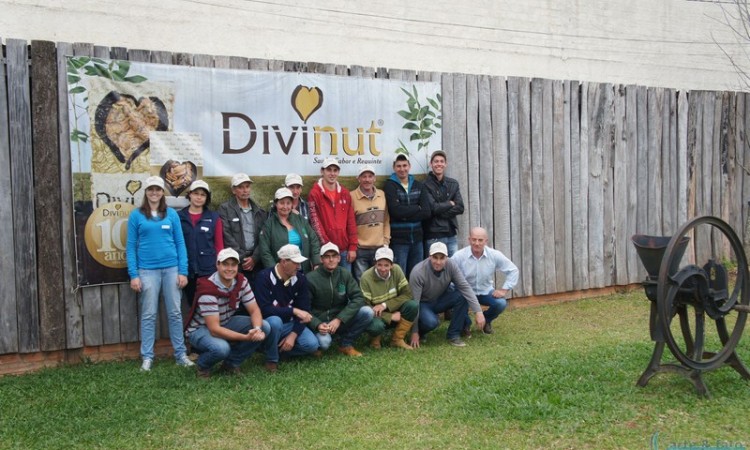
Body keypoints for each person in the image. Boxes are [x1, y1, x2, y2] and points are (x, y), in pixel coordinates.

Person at [126, 175, 194, 371]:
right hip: (147, 271)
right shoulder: (137, 215)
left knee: (175, 313)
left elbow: (181, 244)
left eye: (157, 189)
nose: (154, 193)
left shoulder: (171, 214)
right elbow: (131, 247)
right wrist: (134, 274)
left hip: (171, 269)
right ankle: (147, 357)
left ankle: (180, 354)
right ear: (146, 192)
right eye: (150, 189)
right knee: (148, 314)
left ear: (162, 192)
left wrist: (183, 271)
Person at [185, 248, 272, 378]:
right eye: (225, 264)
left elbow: (254, 310)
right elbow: (214, 329)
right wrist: (246, 337)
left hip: (225, 322)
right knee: (222, 348)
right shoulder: (208, 289)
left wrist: (257, 330)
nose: (229, 269)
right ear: (217, 265)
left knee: (265, 326)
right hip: (200, 329)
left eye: (233, 264)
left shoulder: (241, 282)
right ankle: (203, 365)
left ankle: (231, 363)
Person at [255, 244, 319, 372]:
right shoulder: (264, 277)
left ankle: (279, 352)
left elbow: (304, 310)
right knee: (275, 321)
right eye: (295, 262)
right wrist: (293, 310)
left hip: (290, 324)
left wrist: (293, 335)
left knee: (312, 345)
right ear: (283, 262)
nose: (299, 266)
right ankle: (271, 360)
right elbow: (264, 309)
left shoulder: (300, 279)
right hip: (268, 325)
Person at [409, 242, 486, 348]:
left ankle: (453, 335)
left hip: (440, 300)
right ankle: (420, 332)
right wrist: (414, 332)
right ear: (429, 256)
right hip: (423, 304)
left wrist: (478, 311)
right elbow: (414, 304)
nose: (438, 262)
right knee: (431, 322)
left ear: (447, 257)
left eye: (442, 258)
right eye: (435, 257)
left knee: (462, 295)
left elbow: (465, 287)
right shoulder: (418, 272)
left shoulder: (451, 265)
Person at [306, 242, 374, 356]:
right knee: (324, 343)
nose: (331, 259)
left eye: (334, 256)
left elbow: (358, 298)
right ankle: (318, 343)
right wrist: (317, 324)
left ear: (338, 258)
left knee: (367, 312)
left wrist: (339, 319)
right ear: (321, 259)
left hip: (341, 319)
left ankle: (345, 344)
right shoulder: (310, 278)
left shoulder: (344, 273)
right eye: (327, 256)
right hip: (322, 322)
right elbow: (304, 309)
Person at [452, 227, 519, 335]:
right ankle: (465, 324)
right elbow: (449, 274)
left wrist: (504, 290)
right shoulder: (459, 256)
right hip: (465, 294)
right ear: (469, 240)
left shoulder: (494, 255)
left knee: (501, 303)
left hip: (485, 291)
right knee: (457, 299)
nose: (477, 243)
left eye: (480, 240)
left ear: (486, 241)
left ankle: (486, 321)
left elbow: (513, 270)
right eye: (474, 239)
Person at [360, 247, 417, 350]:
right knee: (376, 326)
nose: (383, 269)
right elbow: (365, 306)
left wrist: (384, 305)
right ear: (375, 263)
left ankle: (397, 340)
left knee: (413, 305)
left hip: (395, 310)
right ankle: (374, 342)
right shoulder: (366, 277)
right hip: (376, 315)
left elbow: (407, 295)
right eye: (379, 264)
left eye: (386, 265)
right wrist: (389, 316)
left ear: (392, 265)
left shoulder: (397, 270)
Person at [383, 153, 430, 278]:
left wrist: (405, 213)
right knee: (400, 275)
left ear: (409, 166)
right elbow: (395, 212)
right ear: (394, 168)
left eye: (405, 165)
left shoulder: (419, 185)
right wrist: (416, 208)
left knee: (417, 275)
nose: (402, 169)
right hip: (399, 240)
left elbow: (426, 212)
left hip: (417, 239)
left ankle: (415, 298)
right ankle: (402, 298)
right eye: (398, 166)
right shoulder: (390, 186)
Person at [307, 157, 358, 271]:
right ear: (322, 171)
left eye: (335, 170)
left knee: (344, 285)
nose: (332, 173)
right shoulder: (314, 194)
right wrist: (327, 245)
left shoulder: (345, 193)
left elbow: (351, 222)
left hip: (344, 251)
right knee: (327, 286)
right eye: (329, 170)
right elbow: (315, 223)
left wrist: (353, 247)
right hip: (326, 251)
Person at [178, 179, 224, 306]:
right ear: (190, 195)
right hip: (187, 271)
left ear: (207, 198)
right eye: (196, 193)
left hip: (208, 270)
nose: (199, 197)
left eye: (203, 195)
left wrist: (219, 267)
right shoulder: (179, 217)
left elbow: (219, 245)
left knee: (209, 306)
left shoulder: (214, 218)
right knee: (191, 306)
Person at [219, 173, 268, 289]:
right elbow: (226, 234)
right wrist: (241, 257)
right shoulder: (225, 208)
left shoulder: (259, 211)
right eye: (240, 187)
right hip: (236, 261)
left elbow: (264, 236)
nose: (245, 190)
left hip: (256, 262)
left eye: (247, 186)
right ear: (233, 190)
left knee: (256, 295)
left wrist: (255, 258)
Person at [259, 187, 320, 273]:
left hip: (303, 270)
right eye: (282, 203)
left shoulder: (300, 219)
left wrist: (316, 262)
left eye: (288, 203)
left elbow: (313, 240)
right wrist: (275, 271)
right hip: (282, 273)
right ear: (276, 204)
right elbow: (265, 251)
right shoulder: (269, 224)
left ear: (292, 204)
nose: (285, 207)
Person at [351, 165, 390, 281]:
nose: (367, 179)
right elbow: (350, 224)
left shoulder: (382, 195)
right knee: (363, 281)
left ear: (374, 178)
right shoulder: (352, 196)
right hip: (361, 248)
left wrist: (386, 241)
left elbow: (386, 220)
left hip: (379, 247)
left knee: (379, 281)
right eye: (364, 176)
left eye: (370, 176)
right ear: (358, 178)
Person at [422, 150, 464, 257]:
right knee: (435, 268)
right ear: (431, 164)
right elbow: (433, 208)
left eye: (441, 161)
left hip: (451, 234)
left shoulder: (453, 183)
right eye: (436, 161)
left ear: (446, 164)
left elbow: (460, 207)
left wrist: (440, 210)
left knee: (453, 266)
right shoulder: (425, 185)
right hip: (434, 234)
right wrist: (450, 203)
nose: (439, 164)